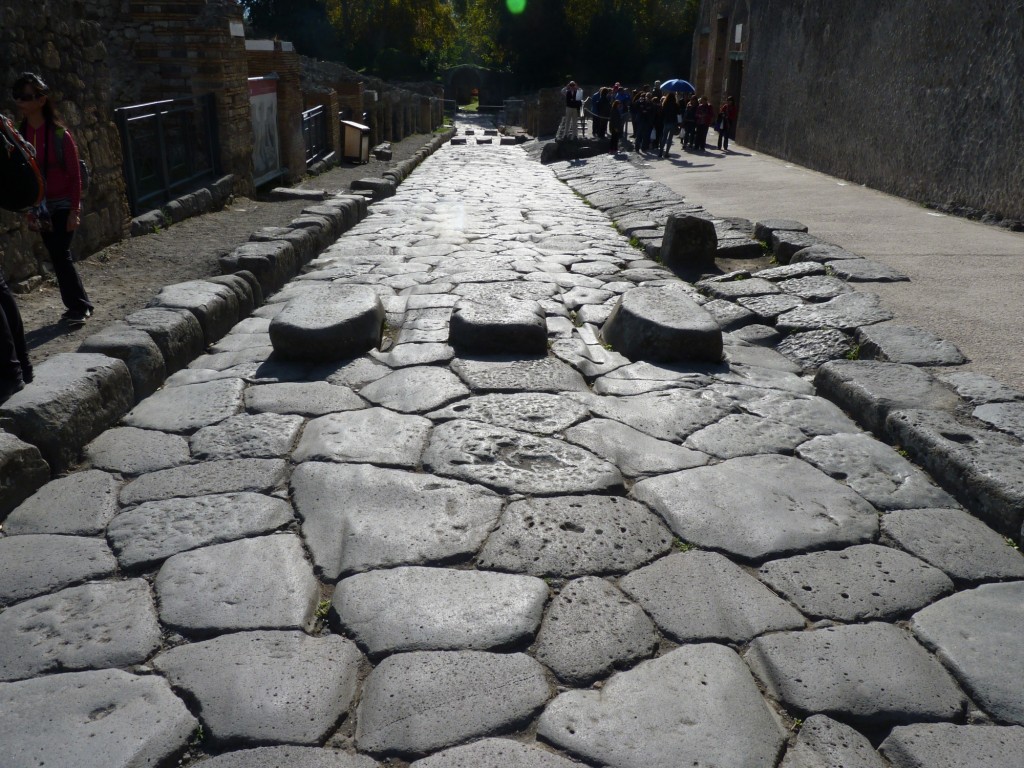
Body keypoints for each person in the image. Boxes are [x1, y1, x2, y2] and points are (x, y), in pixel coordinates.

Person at [13, 72, 93, 326]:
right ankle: (78, 305)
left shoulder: (60, 134)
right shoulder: (19, 135)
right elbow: (21, 177)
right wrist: (29, 209)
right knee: (57, 254)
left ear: (41, 100)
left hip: (63, 203)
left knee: (60, 252)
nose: (20, 101)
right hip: (41, 206)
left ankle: (79, 307)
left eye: (26, 97)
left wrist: (74, 210)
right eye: (17, 96)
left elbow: (74, 175)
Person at [658, 92, 680, 158]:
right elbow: (678, 113)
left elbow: (662, 113)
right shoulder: (675, 105)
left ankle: (660, 152)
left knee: (664, 138)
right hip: (673, 122)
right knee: (670, 138)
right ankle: (666, 153)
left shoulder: (665, 104)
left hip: (666, 121)